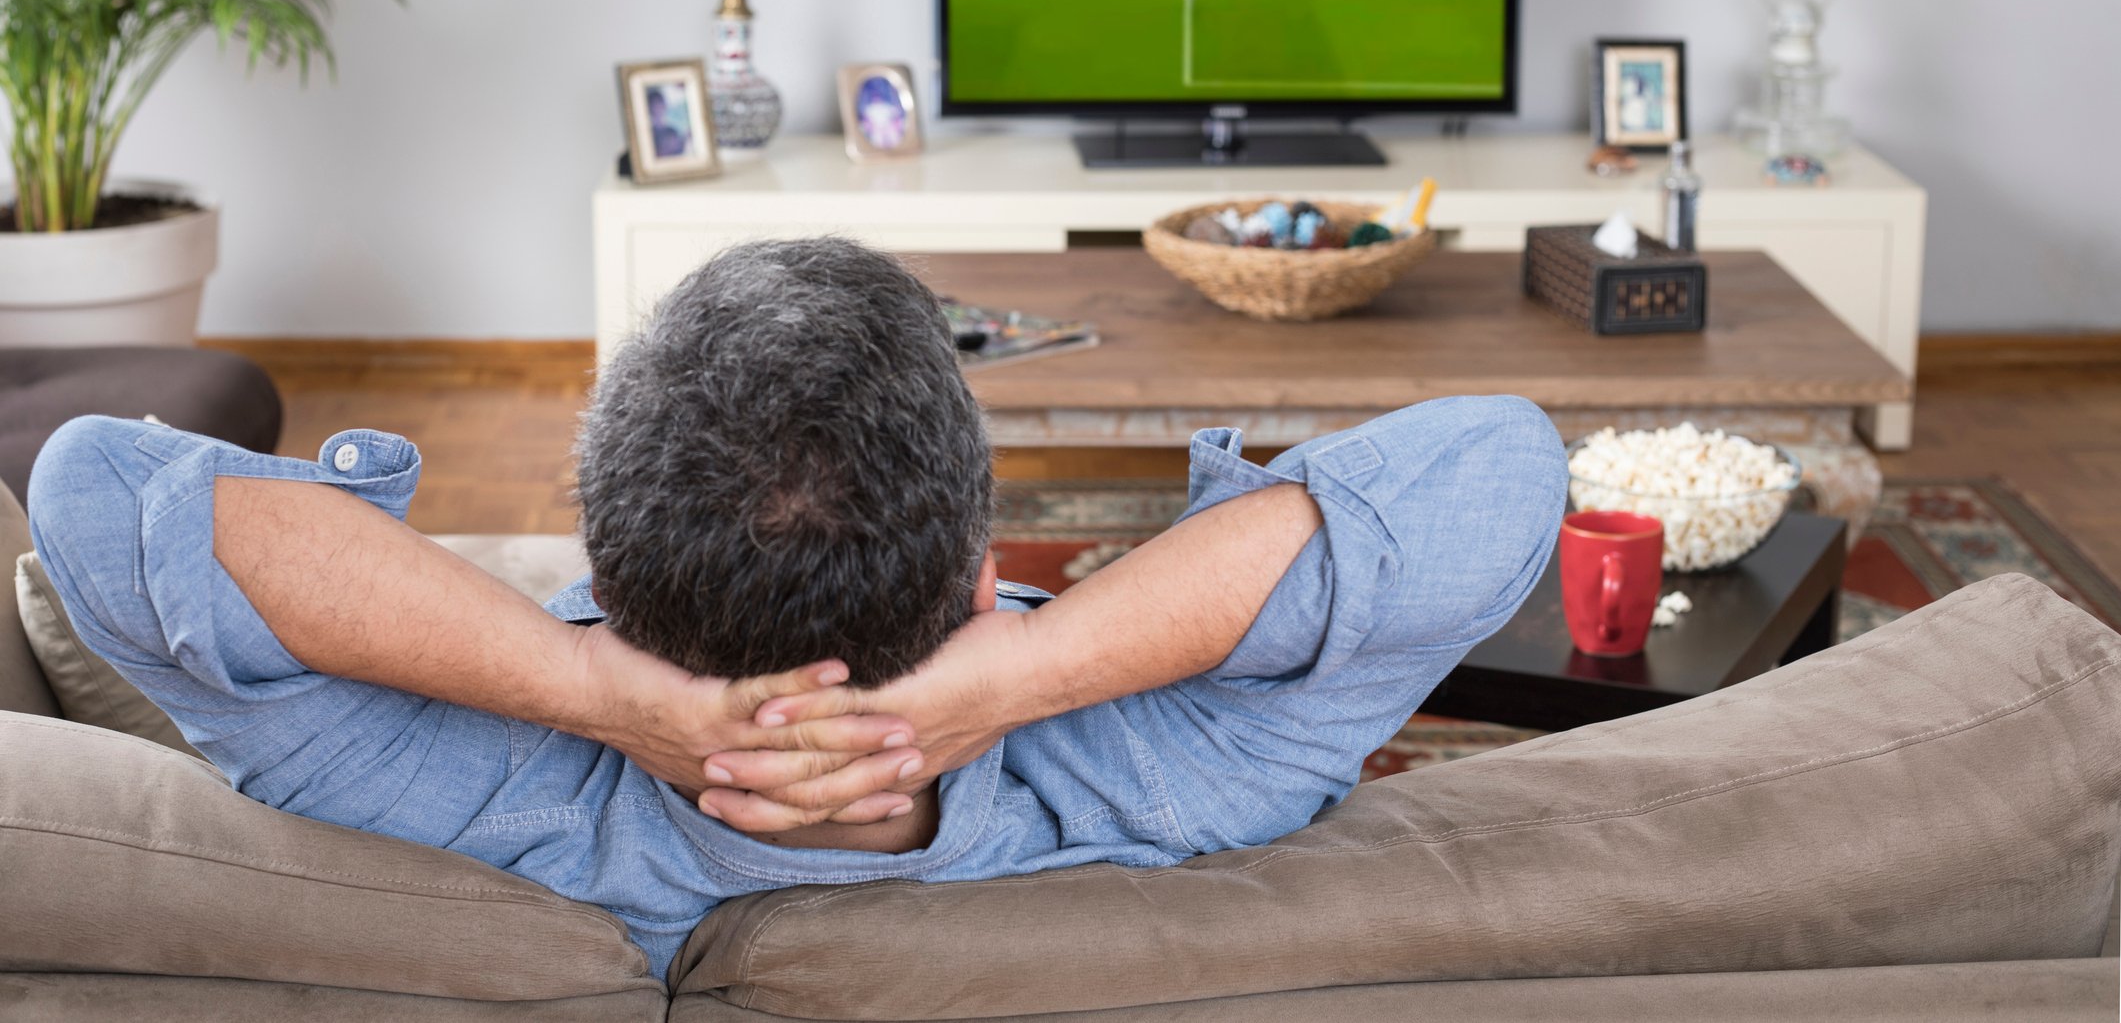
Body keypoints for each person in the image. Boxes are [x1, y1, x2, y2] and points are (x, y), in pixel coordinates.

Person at [27, 239, 1564, 980]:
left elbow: (97, 490)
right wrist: (1011, 679)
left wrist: (603, 702)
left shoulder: (454, 790)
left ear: (605, 562)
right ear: (979, 560)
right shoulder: (1180, 773)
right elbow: (1498, 465)